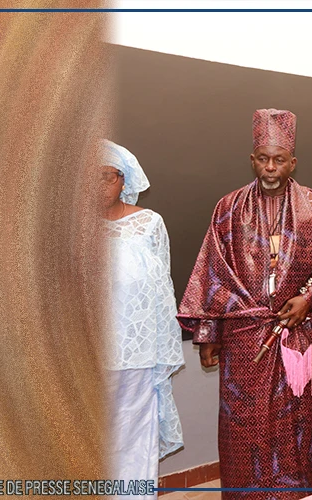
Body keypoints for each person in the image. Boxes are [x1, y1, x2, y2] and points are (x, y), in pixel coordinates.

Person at [178, 109, 312, 499]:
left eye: (279, 159)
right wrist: (209, 334)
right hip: (244, 337)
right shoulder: (228, 208)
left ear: (293, 162)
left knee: (303, 416)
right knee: (245, 425)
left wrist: (308, 298)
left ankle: (305, 493)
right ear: (252, 160)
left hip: (298, 334)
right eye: (263, 159)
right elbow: (212, 271)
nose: (270, 167)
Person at [101, 140, 184, 499]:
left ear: (125, 179)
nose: (98, 185)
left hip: (137, 353)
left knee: (134, 435)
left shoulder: (149, 223)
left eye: (107, 176)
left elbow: (163, 284)